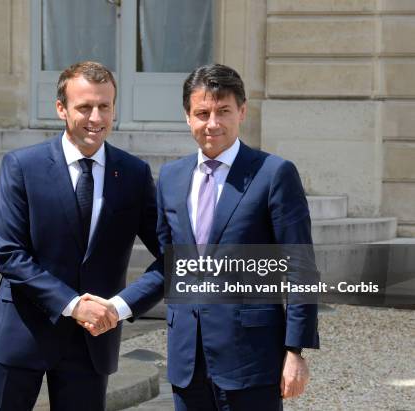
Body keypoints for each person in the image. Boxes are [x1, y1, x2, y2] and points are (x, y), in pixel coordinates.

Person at [83, 64, 319, 410]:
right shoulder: (172, 177)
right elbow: (171, 266)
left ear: (242, 111)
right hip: (187, 361)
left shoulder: (274, 174)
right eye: (202, 113)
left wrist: (295, 351)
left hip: (252, 360)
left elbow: (301, 268)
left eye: (223, 111)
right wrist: (117, 307)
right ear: (187, 116)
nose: (212, 123)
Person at [0, 61, 160, 411]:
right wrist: (74, 305)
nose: (96, 117)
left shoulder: (134, 174)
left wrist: (120, 307)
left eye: (104, 106)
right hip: (21, 335)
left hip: (92, 343)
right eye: (85, 107)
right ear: (61, 108)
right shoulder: (22, 166)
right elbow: (10, 254)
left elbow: (172, 256)